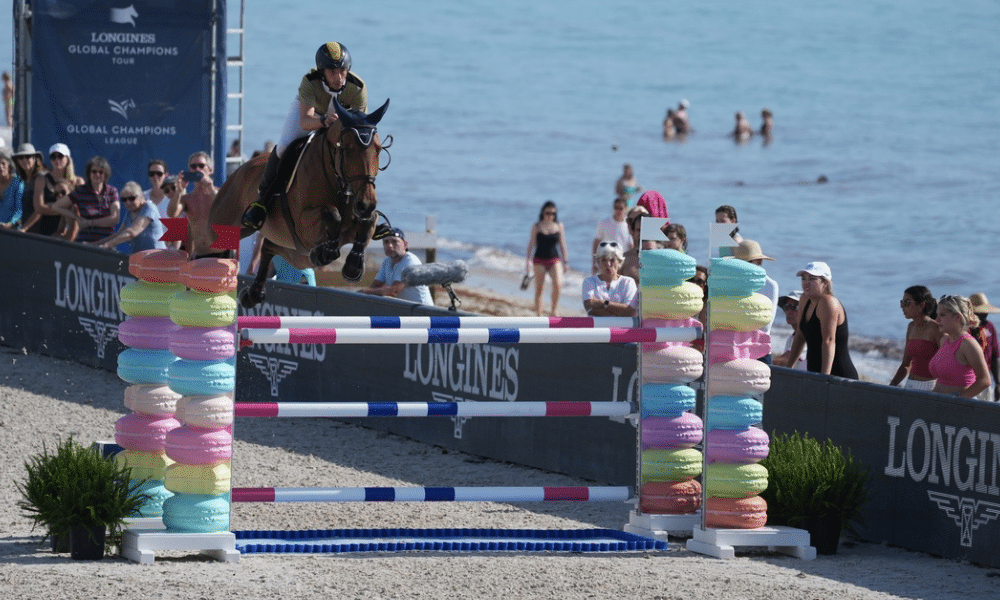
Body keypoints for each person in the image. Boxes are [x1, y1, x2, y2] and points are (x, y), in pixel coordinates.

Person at [241, 42, 368, 230]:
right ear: (322, 71)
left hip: (339, 119)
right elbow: (305, 121)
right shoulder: (310, 80)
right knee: (284, 145)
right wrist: (324, 121)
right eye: (332, 72)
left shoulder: (357, 87)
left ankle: (362, 200)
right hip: (311, 114)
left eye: (342, 71)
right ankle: (262, 202)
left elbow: (359, 126)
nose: (339, 77)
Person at [779, 262, 858, 379]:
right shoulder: (804, 299)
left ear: (825, 283)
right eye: (803, 278)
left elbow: (829, 341)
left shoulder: (828, 302)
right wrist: (789, 368)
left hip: (838, 376)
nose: (806, 283)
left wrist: (824, 379)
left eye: (812, 279)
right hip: (814, 373)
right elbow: (800, 336)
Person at [929, 295, 991, 399]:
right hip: (938, 402)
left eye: (942, 315)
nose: (937, 319)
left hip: (958, 406)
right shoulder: (944, 340)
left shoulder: (968, 344)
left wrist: (958, 400)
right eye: (937, 315)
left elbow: (984, 380)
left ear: (957, 317)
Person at [726, 240, 778, 362]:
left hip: (760, 351)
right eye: (740, 263)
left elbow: (765, 325)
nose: (743, 267)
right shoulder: (732, 283)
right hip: (735, 348)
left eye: (747, 263)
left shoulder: (770, 285)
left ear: (759, 261)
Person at [359, 227, 433, 305]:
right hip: (405, 309)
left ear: (405, 245)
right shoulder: (387, 261)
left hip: (423, 312)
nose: (390, 245)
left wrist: (364, 291)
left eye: (395, 241)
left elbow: (392, 292)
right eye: (386, 242)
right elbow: (375, 285)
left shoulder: (411, 262)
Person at [23, 143, 83, 238]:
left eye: (60, 156)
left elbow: (81, 209)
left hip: (73, 231)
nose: (56, 160)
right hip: (45, 230)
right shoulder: (42, 179)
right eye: (53, 157)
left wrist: (53, 207)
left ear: (67, 158)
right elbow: (38, 207)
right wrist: (66, 209)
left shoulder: (78, 182)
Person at [57, 155, 119, 243]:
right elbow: (57, 206)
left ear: (105, 174)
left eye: (101, 172)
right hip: (85, 244)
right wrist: (76, 218)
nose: (97, 174)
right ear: (89, 174)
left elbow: (115, 218)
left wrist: (89, 223)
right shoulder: (81, 191)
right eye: (94, 171)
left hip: (107, 245)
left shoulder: (112, 191)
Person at [888, 286, 940, 391]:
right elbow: (906, 364)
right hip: (910, 384)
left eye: (907, 302)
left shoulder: (936, 328)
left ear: (921, 305)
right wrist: (892, 385)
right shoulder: (911, 327)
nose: (902, 306)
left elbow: (948, 363)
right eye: (902, 302)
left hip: (930, 387)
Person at [92, 181, 166, 253]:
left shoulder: (149, 207)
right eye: (124, 199)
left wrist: (107, 245)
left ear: (141, 197)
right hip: (140, 259)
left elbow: (132, 232)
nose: (128, 202)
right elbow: (119, 234)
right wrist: (94, 245)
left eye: (132, 198)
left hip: (157, 258)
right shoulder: (130, 212)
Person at [167, 151, 218, 256]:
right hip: (199, 254)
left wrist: (211, 190)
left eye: (201, 166)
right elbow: (172, 213)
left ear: (210, 170)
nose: (197, 169)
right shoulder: (187, 199)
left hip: (222, 255)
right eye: (193, 166)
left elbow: (228, 211)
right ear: (190, 170)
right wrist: (179, 191)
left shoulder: (221, 193)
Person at [524, 200, 567, 316]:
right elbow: (531, 244)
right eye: (548, 213)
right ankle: (539, 315)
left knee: (558, 284)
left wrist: (566, 261)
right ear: (543, 212)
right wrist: (528, 260)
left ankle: (554, 310)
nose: (550, 216)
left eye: (553, 213)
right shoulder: (537, 226)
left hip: (554, 260)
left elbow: (562, 244)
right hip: (539, 260)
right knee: (539, 289)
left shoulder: (559, 226)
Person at [582, 240, 637, 317]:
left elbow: (629, 311)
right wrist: (619, 310)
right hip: (597, 328)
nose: (608, 264)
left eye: (612, 260)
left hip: (621, 328)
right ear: (598, 262)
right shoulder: (589, 282)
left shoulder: (628, 282)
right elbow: (590, 310)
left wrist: (603, 303)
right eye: (604, 260)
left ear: (619, 262)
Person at [969, 292, 999, 401]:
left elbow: (995, 355)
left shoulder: (989, 327)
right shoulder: (964, 329)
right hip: (969, 379)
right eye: (981, 312)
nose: (984, 314)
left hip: (986, 378)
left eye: (985, 311)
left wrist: (997, 383)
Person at [591, 197, 632, 273]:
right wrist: (594, 263)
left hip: (623, 264)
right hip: (606, 263)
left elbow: (631, 246)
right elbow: (596, 243)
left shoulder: (629, 225)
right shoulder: (604, 223)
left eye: (621, 208)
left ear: (626, 209)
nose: (618, 211)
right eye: (616, 208)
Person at [10, 143, 45, 231]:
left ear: (34, 159)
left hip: (41, 232)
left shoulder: (41, 178)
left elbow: (39, 209)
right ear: (17, 161)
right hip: (24, 231)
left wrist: (23, 228)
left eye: (28, 156)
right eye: (21, 157)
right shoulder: (19, 180)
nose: (24, 160)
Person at [774, 291, 806, 370]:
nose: (788, 312)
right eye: (786, 307)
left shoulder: (807, 334)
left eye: (794, 307)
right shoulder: (792, 337)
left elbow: (784, 360)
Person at [621, 205, 650, 282]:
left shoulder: (661, 254)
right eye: (631, 221)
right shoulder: (623, 258)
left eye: (642, 218)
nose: (637, 223)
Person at [0, 150, 24, 229]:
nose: (0, 167)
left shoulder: (18, 182)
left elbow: (19, 209)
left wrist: (11, 224)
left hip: (12, 231)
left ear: (9, 165)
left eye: (3, 163)